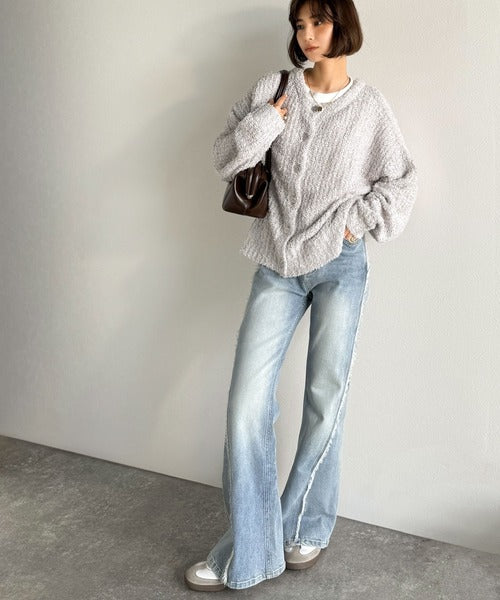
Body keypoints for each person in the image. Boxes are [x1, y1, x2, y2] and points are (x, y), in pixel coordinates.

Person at [185, 0, 417, 591]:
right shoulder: (274, 88)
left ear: (342, 25)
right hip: (276, 264)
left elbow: (402, 180)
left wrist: (354, 222)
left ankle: (305, 526)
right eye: (299, 24)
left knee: (324, 399)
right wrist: (267, 122)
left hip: (340, 264)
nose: (307, 34)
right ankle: (251, 548)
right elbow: (223, 158)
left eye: (319, 22)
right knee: (246, 404)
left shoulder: (370, 107)